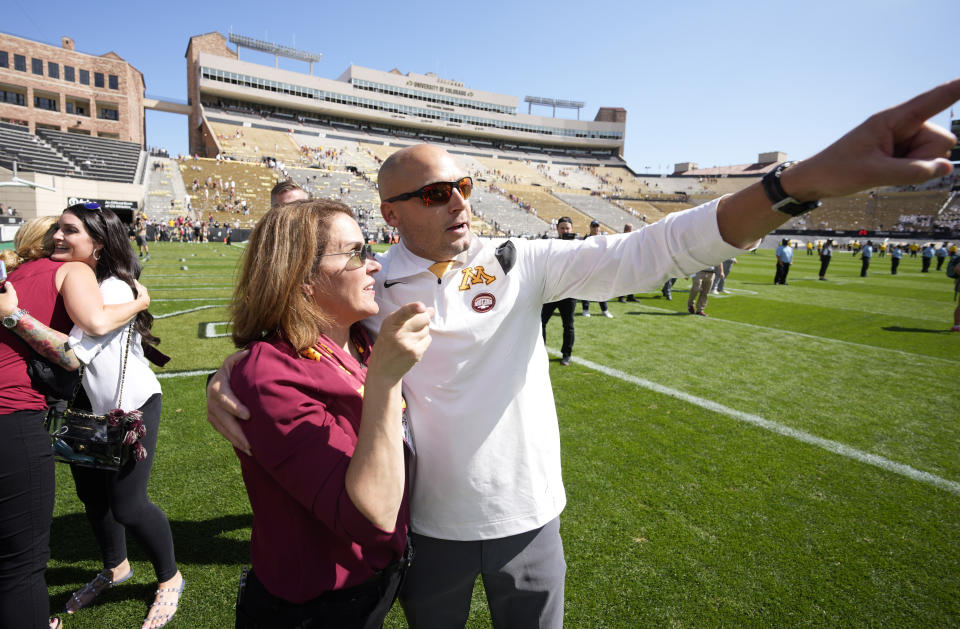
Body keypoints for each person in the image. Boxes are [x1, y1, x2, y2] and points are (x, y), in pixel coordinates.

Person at [209, 80, 960, 628]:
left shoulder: (518, 259)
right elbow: (291, 332)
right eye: (435, 194)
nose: (459, 202)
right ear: (392, 213)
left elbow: (655, 249)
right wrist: (227, 376)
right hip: (427, 529)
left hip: (531, 516)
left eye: (463, 186)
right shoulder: (375, 292)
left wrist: (801, 182)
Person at [229, 199, 430, 628]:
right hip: (315, 606)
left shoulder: (357, 336)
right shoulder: (270, 374)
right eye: (355, 253)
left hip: (372, 580)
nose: (374, 265)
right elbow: (372, 516)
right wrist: (386, 381)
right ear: (302, 278)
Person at [1, 205, 183, 629]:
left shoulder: (117, 287)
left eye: (70, 231)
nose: (57, 238)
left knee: (128, 505)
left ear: (98, 243)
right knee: (93, 500)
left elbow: (79, 349)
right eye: (56, 231)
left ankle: (170, 576)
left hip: (129, 407)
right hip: (85, 408)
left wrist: (14, 315)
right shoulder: (77, 281)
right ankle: (116, 567)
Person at [541, 217, 578, 366]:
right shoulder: (552, 245)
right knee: (541, 322)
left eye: (567, 228)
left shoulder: (578, 246)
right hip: (552, 291)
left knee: (568, 325)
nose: (565, 231)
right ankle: (540, 351)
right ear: (557, 229)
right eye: (562, 228)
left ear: (572, 229)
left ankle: (566, 354)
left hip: (569, 292)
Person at [580, 220, 613, 318]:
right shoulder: (586, 239)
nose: (595, 228)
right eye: (593, 226)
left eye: (597, 226)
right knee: (586, 289)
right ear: (590, 227)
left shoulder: (603, 239)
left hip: (600, 268)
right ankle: (585, 309)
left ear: (600, 227)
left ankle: (604, 310)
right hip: (587, 267)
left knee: (601, 289)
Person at [617, 224, 639, 302]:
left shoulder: (630, 237)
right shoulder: (623, 237)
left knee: (631, 279)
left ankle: (630, 296)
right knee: (623, 279)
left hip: (630, 260)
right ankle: (621, 297)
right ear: (628, 230)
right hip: (624, 261)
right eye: (631, 229)